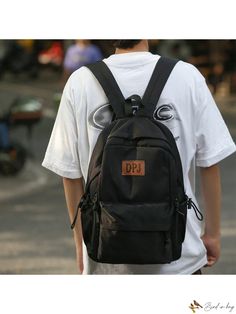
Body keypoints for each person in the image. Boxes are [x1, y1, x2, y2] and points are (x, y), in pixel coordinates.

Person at [42, 40, 236, 274]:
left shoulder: (80, 82)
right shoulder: (187, 76)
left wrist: (81, 244)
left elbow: (69, 174)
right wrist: (212, 234)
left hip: (105, 262)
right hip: (180, 260)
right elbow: (209, 161)